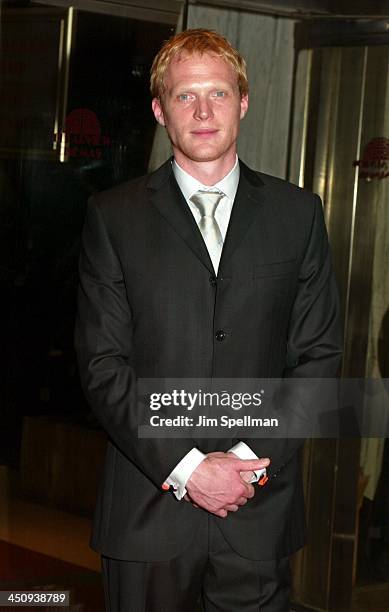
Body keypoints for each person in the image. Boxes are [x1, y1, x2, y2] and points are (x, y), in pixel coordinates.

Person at [75, 28, 342, 612]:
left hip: (259, 515)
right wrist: (188, 468)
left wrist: (245, 465)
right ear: (159, 110)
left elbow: (319, 357)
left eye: (218, 94)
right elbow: (102, 365)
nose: (202, 111)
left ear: (243, 102)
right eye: (184, 96)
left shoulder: (298, 215)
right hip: (147, 513)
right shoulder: (112, 217)